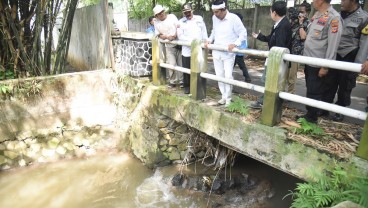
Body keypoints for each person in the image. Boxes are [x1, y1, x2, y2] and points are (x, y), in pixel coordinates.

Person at [319, 0, 368, 122]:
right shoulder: (335, 14)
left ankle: (340, 110)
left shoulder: (364, 18)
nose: (341, 2)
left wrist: (358, 65)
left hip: (350, 55)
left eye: (344, 0)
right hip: (334, 53)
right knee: (329, 83)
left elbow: (365, 42)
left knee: (345, 85)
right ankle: (325, 107)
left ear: (353, 1)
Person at [296, 0, 343, 123]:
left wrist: (326, 66)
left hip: (319, 63)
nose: (312, 1)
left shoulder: (334, 18)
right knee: (311, 89)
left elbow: (333, 45)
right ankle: (310, 114)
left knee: (315, 91)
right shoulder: (317, 15)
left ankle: (312, 118)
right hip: (309, 60)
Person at [204, 0, 247, 107]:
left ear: (223, 10)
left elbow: (243, 33)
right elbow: (214, 31)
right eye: (213, 12)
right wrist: (209, 40)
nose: (215, 14)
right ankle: (223, 96)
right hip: (216, 51)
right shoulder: (215, 18)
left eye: (217, 12)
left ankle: (228, 99)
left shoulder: (234, 18)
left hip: (228, 53)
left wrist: (235, 43)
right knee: (219, 76)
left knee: (228, 76)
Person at [250, 1, 292, 109]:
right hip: (273, 58)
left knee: (268, 81)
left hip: (276, 60)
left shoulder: (283, 26)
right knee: (267, 80)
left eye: (270, 11)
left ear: (274, 13)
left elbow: (280, 46)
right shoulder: (279, 24)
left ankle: (265, 103)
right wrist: (259, 36)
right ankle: (266, 102)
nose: (270, 14)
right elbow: (271, 39)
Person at [177, 4, 208, 94]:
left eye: (188, 11)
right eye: (185, 12)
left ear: (192, 10)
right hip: (187, 49)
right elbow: (180, 35)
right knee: (187, 69)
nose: (187, 13)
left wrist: (206, 40)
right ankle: (187, 86)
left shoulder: (199, 19)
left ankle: (199, 86)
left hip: (199, 48)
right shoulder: (180, 22)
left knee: (200, 67)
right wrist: (191, 41)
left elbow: (204, 31)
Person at [153, 4, 183, 87]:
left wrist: (174, 36)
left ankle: (181, 81)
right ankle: (172, 81)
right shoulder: (156, 22)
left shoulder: (172, 17)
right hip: (168, 45)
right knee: (171, 64)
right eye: (159, 13)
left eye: (162, 11)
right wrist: (167, 37)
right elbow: (159, 35)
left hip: (178, 43)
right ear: (156, 15)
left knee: (180, 63)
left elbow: (178, 27)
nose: (161, 14)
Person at [288, 2, 311, 94]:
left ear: (307, 13)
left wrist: (301, 23)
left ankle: (290, 94)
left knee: (291, 76)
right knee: (285, 75)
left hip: (296, 53)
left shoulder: (308, 23)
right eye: (299, 11)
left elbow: (303, 37)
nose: (300, 14)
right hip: (288, 51)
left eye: (302, 12)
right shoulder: (294, 22)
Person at [234, 13, 252, 83]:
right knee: (238, 65)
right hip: (237, 51)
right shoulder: (239, 28)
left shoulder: (240, 29)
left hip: (238, 51)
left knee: (242, 66)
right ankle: (247, 78)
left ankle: (247, 78)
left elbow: (242, 41)